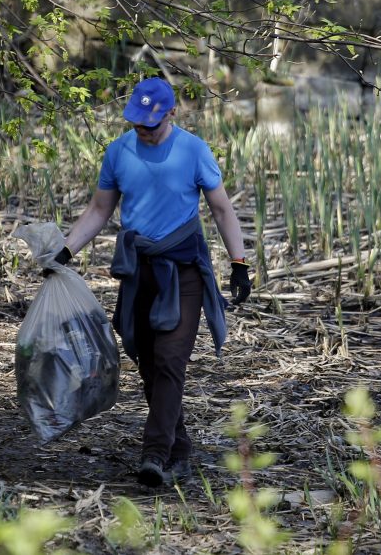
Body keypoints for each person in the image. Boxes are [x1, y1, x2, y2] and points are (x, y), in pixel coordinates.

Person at [51, 77, 251, 488]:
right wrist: (65, 250)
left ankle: (155, 453)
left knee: (169, 360)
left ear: (172, 113)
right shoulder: (119, 152)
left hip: (184, 270)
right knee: (143, 355)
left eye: (151, 124)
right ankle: (179, 446)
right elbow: (99, 209)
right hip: (138, 271)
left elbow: (221, 209)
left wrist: (239, 263)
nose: (143, 130)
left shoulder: (193, 150)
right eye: (137, 123)